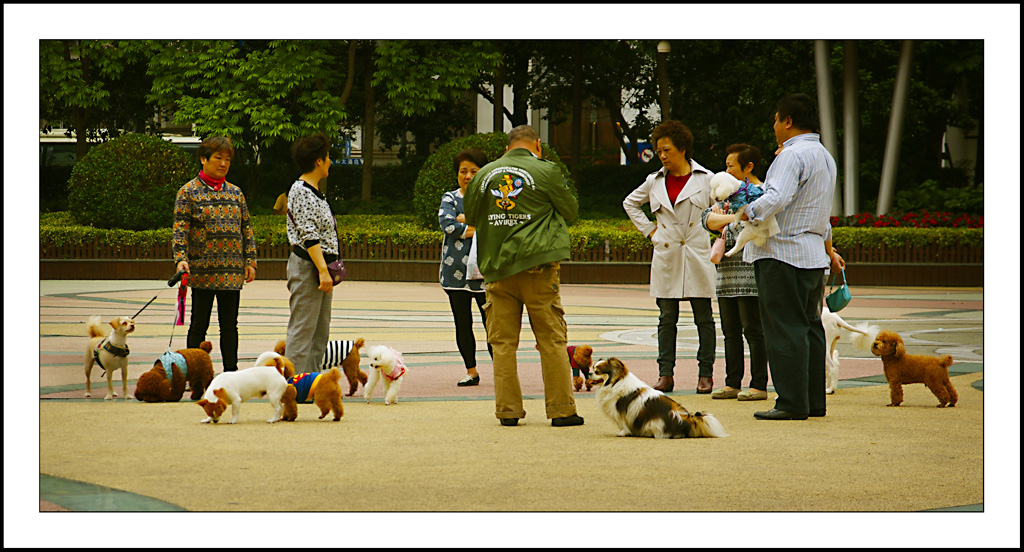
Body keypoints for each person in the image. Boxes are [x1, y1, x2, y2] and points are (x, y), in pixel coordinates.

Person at [463, 125, 584, 428]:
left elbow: (474, 218)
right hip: (538, 267)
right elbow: (570, 211)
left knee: (503, 345)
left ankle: (508, 411)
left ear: (507, 148)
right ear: (537, 145)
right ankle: (561, 410)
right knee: (552, 341)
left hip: (498, 270)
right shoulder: (547, 171)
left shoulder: (483, 174)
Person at [737, 93, 845, 420]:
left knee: (784, 328)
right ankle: (812, 401)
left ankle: (790, 402)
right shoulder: (825, 156)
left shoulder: (791, 154)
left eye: (775, 119)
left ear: (787, 121)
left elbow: (776, 197)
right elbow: (823, 211)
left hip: (782, 253)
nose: (773, 126)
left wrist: (744, 212)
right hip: (812, 256)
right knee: (810, 327)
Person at [622, 120, 717, 393]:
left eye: (667, 150)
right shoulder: (654, 181)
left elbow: (722, 208)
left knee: (704, 317)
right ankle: (665, 374)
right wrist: (651, 231)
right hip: (667, 254)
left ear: (683, 149)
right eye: (659, 151)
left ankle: (706, 374)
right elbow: (630, 202)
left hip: (697, 254)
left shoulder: (706, 179)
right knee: (666, 318)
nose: (662, 156)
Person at [173, 136, 257, 373]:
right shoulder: (188, 192)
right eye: (218, 158)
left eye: (227, 159)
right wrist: (181, 259)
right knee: (199, 324)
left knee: (229, 326)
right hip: (202, 270)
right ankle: (194, 371)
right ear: (203, 159)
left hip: (231, 271)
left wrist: (250, 261)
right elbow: (180, 229)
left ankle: (231, 372)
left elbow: (246, 229)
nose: (223, 163)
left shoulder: (236, 193)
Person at [701, 143, 769, 401]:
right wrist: (734, 218)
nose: (726, 170)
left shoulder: (762, 193)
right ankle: (732, 383)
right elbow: (706, 219)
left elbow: (753, 225)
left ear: (748, 167)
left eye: (731, 166)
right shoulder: (726, 194)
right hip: (726, 274)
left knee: (753, 330)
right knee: (730, 331)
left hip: (750, 274)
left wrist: (727, 219)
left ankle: (759, 385)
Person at [283, 132, 339, 375]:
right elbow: (309, 235)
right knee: (303, 328)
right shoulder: (301, 190)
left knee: (319, 331)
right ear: (318, 160)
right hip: (310, 267)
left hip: (319, 267)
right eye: (328, 157)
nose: (330, 162)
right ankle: (293, 387)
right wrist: (323, 270)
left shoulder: (314, 191)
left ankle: (312, 383)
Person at [438, 148, 494, 387]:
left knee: (492, 324)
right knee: (462, 323)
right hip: (454, 275)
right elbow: (448, 225)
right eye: (463, 171)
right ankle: (471, 371)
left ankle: (502, 372)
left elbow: (495, 224)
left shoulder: (492, 197)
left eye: (474, 171)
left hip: (485, 273)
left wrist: (467, 220)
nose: (468, 175)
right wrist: (477, 224)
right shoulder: (449, 198)